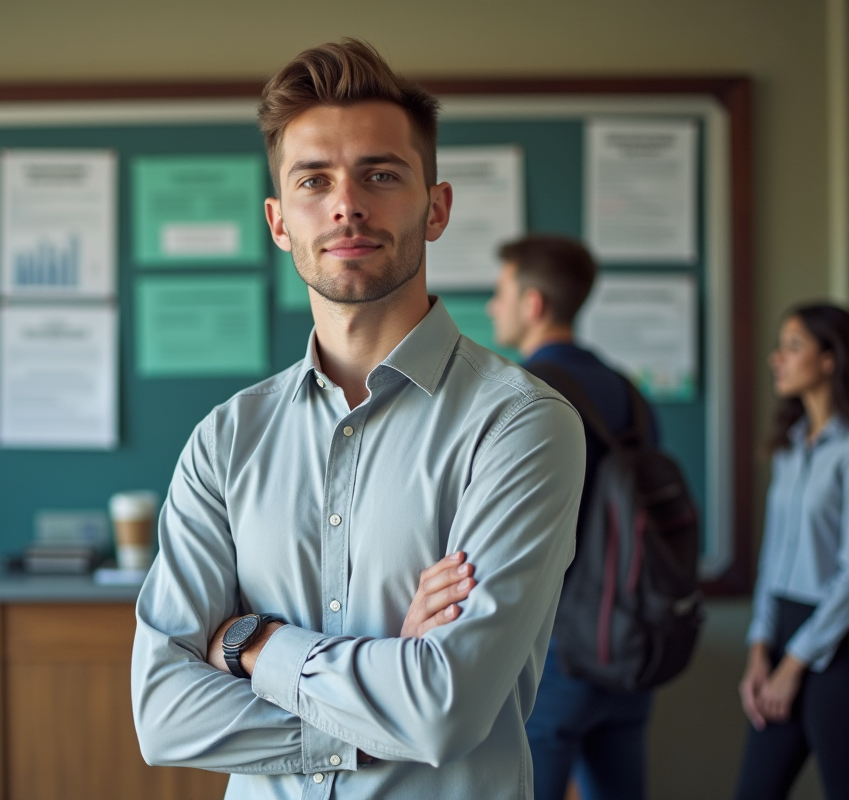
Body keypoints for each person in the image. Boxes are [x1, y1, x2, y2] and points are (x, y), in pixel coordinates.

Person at [131, 39, 585, 798]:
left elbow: (443, 709)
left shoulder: (522, 425)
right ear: (279, 223)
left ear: (436, 207)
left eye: (381, 173)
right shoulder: (226, 439)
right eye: (315, 180)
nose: (347, 203)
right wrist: (378, 710)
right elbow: (163, 714)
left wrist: (253, 644)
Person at [486, 234, 659, 800]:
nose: (493, 306)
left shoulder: (524, 394)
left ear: (533, 305)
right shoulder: (629, 393)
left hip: (559, 642)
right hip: (631, 636)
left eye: (502, 292)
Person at [732, 304, 849, 800]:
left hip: (835, 641)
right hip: (782, 629)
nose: (775, 358)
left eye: (793, 345)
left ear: (831, 359)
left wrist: (794, 664)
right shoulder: (788, 445)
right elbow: (771, 558)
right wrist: (760, 651)